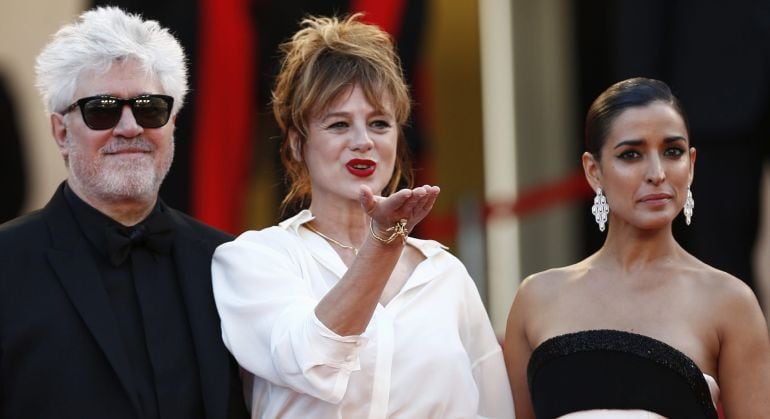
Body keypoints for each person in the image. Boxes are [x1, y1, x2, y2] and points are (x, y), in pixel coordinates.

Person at [211, 14, 514, 418]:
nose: (363, 141)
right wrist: (383, 243)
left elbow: (494, 410)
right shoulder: (256, 259)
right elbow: (309, 360)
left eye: (379, 123)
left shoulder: (446, 275)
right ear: (298, 144)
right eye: (338, 124)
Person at [0, 7, 248, 418]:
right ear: (61, 132)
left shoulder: (230, 263)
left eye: (150, 109)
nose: (130, 127)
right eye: (102, 110)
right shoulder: (6, 266)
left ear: (172, 125)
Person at [503, 78, 770, 418]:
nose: (657, 173)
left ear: (691, 164)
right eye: (631, 155)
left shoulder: (730, 302)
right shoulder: (536, 298)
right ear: (593, 171)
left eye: (672, 152)